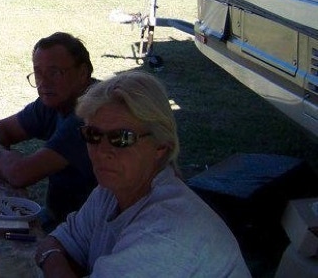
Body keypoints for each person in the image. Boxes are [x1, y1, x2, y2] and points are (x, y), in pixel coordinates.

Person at [34, 71, 250, 277]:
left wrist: (49, 256)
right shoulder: (111, 192)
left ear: (161, 147)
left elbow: (54, 247)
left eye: (122, 138)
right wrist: (53, 253)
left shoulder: (166, 234)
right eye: (93, 134)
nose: (102, 151)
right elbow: (60, 241)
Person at [0, 32, 98, 228]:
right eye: (38, 73)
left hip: (84, 232)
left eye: (54, 72)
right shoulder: (54, 100)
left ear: (82, 73)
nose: (44, 82)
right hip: (59, 218)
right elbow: (3, 130)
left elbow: (20, 174)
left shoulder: (92, 114)